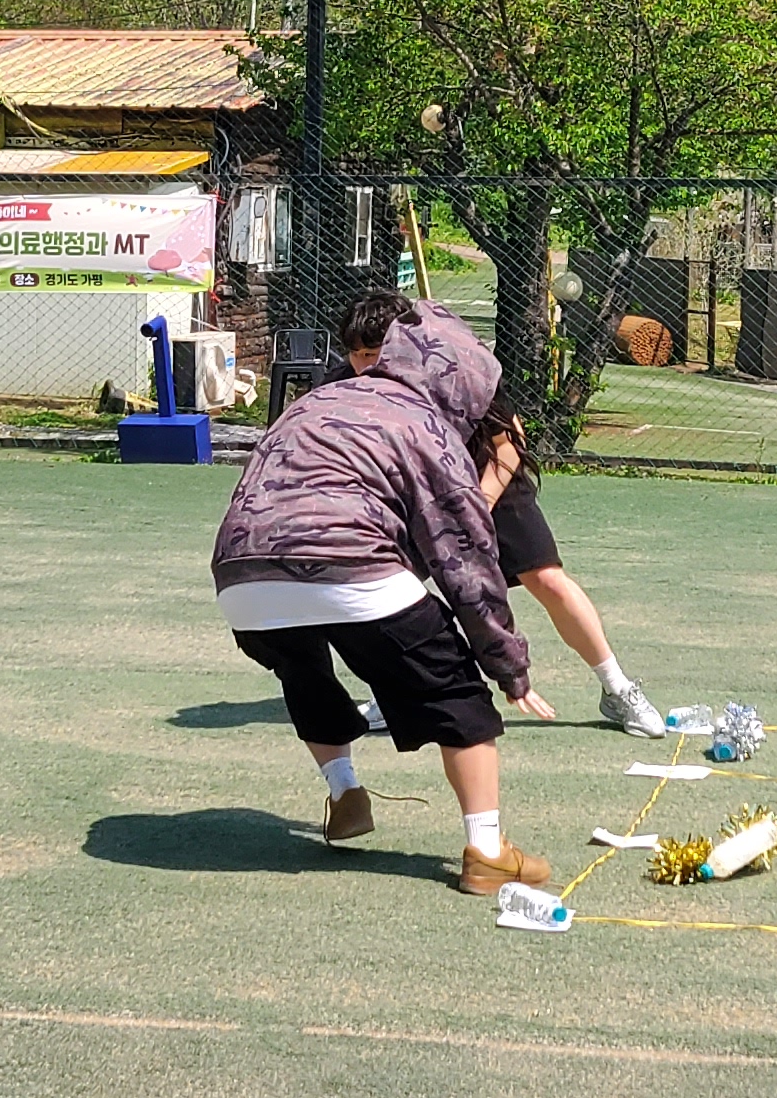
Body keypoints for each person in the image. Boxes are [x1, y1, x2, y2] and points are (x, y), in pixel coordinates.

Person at [211, 290, 560, 896]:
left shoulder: (314, 401)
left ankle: (345, 792)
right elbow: (464, 556)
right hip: (350, 568)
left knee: (301, 666)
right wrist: (508, 665)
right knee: (457, 695)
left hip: (243, 576)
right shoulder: (425, 423)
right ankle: (486, 851)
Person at [470, 397, 667, 739]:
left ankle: (616, 688)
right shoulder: (357, 379)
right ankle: (399, 692)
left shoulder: (462, 361)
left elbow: (510, 441)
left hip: (490, 481)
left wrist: (477, 507)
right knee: (396, 580)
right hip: (424, 486)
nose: (365, 362)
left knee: (547, 578)